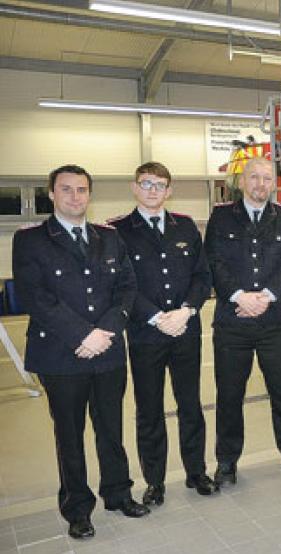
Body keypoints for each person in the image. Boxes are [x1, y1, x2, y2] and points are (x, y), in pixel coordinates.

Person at [12, 164, 149, 540]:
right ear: (51, 194)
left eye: (82, 190)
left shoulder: (109, 237)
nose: (76, 197)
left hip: (106, 351)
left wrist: (104, 331)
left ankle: (118, 493)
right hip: (61, 355)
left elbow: (126, 287)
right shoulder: (31, 240)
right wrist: (81, 336)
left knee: (111, 429)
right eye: (67, 190)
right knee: (69, 435)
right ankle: (77, 508)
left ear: (90, 195)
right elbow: (36, 297)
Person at [107, 162, 218, 506]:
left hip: (185, 330)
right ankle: (154, 481)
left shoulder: (184, 226)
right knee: (149, 410)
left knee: (190, 406)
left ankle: (196, 471)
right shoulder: (117, 231)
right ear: (135, 188)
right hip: (145, 334)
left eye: (160, 185)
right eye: (146, 184)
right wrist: (156, 317)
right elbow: (119, 285)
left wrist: (186, 310)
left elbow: (203, 276)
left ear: (169, 190)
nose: (153, 190)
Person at [204, 156, 281, 484]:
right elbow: (213, 260)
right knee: (229, 395)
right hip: (232, 322)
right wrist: (240, 297)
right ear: (242, 182)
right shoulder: (221, 217)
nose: (261, 184)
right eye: (255, 177)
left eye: (267, 179)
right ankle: (226, 461)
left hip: (275, 321)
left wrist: (265, 297)